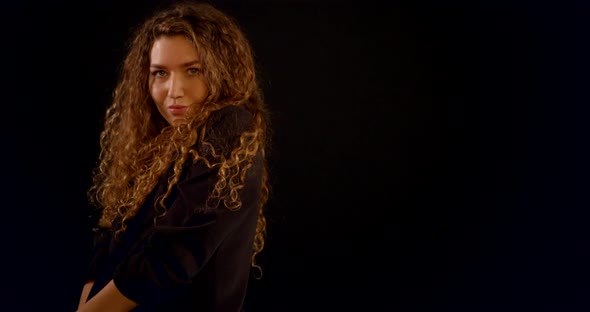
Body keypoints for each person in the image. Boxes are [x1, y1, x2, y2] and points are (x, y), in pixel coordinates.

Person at [76, 1, 271, 311]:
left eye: (193, 70)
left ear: (223, 72)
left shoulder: (231, 127)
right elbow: (110, 243)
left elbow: (172, 256)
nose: (174, 90)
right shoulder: (157, 143)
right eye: (160, 73)